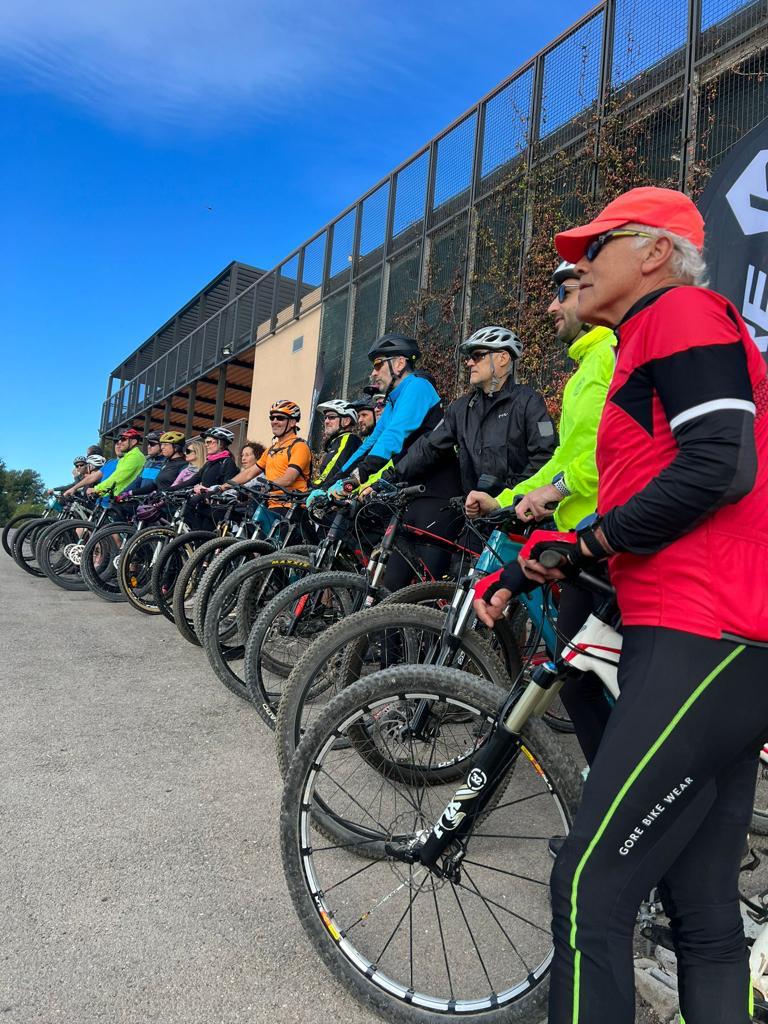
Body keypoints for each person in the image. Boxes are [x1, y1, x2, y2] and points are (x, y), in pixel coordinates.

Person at [476, 186, 768, 1024]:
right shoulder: (648, 334)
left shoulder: (681, 313)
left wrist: (593, 544)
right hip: (717, 634)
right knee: (702, 911)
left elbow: (719, 465)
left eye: (595, 246)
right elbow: (654, 487)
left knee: (587, 891)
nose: (578, 264)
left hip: (702, 631)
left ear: (652, 250)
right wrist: (556, 557)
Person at [465, 270, 618, 766]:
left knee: (585, 678)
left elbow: (601, 455)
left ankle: (624, 799)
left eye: (562, 295)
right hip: (579, 529)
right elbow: (563, 459)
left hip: (599, 533)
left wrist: (549, 491)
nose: (551, 308)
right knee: (584, 677)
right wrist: (510, 498)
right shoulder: (585, 369)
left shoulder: (604, 360)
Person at [393, 325, 556, 497]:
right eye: (470, 357)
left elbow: (545, 455)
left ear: (503, 358)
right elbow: (429, 448)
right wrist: (391, 477)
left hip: (518, 511)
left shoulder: (529, 401)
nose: (469, 362)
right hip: (474, 514)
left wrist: (508, 496)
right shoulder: (460, 409)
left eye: (478, 356)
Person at [253, 401, 312, 509]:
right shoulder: (272, 449)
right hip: (271, 505)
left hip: (291, 506)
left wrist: (267, 486)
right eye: (272, 418)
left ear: (292, 422)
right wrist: (224, 486)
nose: (274, 421)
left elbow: (289, 478)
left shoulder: (299, 446)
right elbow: (249, 473)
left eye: (280, 418)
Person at [311, 400, 362, 487]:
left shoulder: (348, 438)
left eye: (331, 417)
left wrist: (315, 487)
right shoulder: (337, 441)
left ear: (346, 421)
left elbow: (333, 468)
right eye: (325, 417)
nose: (326, 421)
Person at [91, 429, 146, 498]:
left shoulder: (135, 456)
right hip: (118, 498)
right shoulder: (126, 457)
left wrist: (97, 489)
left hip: (126, 501)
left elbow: (117, 478)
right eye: (119, 439)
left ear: (133, 442)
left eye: (123, 439)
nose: (119, 442)